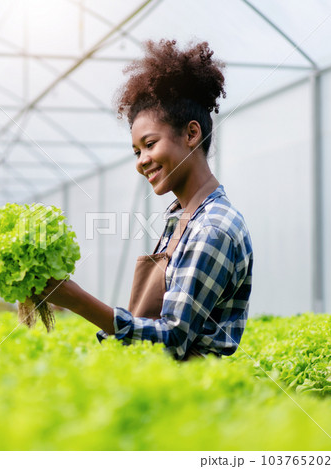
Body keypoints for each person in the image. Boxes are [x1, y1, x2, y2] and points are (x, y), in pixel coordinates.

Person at [42, 39, 253, 360]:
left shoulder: (213, 227)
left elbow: (173, 338)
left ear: (191, 134)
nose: (142, 160)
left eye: (150, 144)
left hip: (191, 397)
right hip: (157, 383)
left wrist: (78, 301)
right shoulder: (180, 217)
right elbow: (153, 323)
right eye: (137, 151)